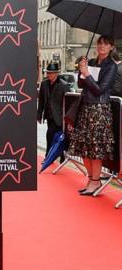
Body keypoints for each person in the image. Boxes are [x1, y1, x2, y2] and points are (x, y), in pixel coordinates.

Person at [69, 35, 117, 196]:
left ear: (111, 47)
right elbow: (81, 84)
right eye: (99, 43)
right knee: (83, 146)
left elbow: (99, 89)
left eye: (106, 44)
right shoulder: (91, 62)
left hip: (100, 110)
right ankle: (91, 179)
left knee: (95, 148)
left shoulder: (111, 66)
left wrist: (87, 74)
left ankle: (96, 181)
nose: (101, 46)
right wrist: (80, 71)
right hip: (86, 108)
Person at [37, 61, 70, 163]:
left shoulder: (63, 85)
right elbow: (41, 101)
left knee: (54, 135)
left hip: (60, 117)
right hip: (49, 115)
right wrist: (39, 115)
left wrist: (67, 118)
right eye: (48, 73)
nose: (49, 75)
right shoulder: (44, 84)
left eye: (51, 73)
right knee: (53, 136)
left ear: (56, 73)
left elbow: (67, 103)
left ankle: (53, 156)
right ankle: (55, 156)